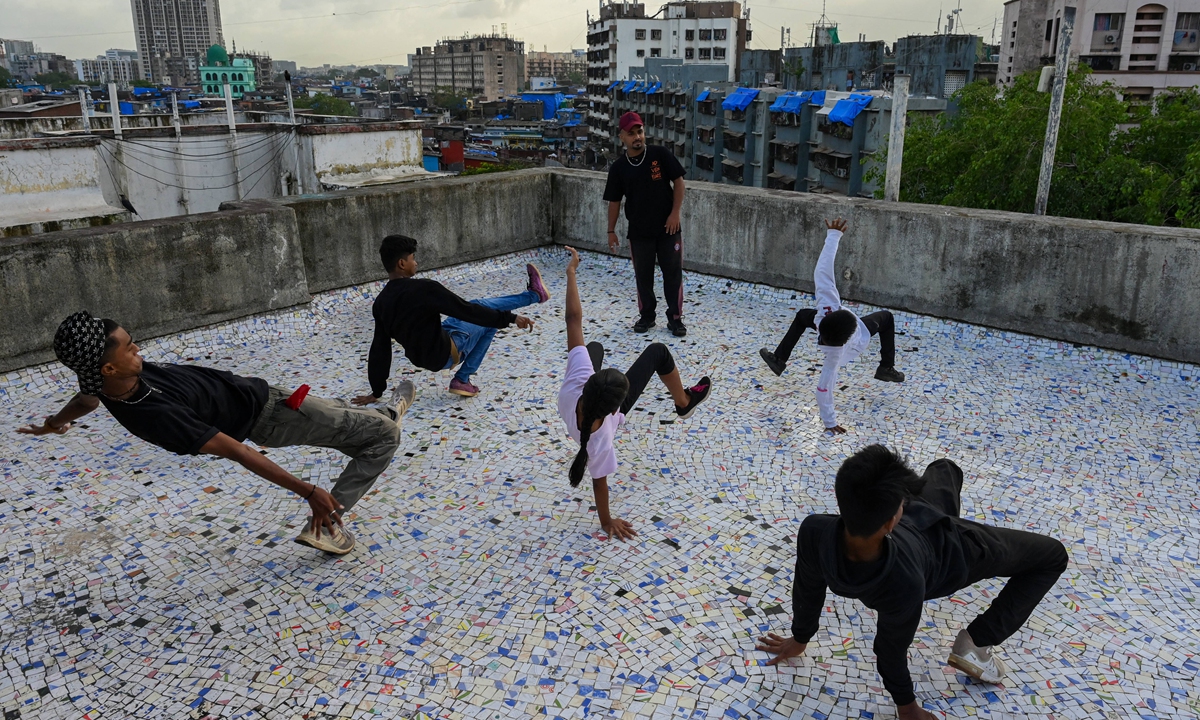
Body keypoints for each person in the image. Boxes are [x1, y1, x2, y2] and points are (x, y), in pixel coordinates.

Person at [19, 311, 416, 555]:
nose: (138, 347)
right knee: (384, 437)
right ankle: (328, 524)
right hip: (274, 415)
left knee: (347, 414)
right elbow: (238, 452)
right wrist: (309, 492)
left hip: (265, 395)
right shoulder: (155, 415)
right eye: (128, 347)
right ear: (108, 367)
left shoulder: (104, 383)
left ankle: (383, 411)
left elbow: (85, 400)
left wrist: (53, 425)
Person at [756, 446, 1069, 719]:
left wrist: (800, 639)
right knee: (1053, 556)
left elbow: (807, 586)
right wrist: (907, 708)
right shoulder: (904, 581)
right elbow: (890, 651)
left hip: (917, 524)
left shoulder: (814, 530)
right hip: (952, 551)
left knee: (944, 469)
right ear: (893, 519)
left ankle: (931, 491)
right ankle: (977, 641)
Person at [557, 246, 712, 540]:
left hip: (583, 407)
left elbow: (572, 319)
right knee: (657, 351)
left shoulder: (574, 385)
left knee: (594, 349)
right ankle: (684, 402)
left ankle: (602, 366)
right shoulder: (603, 438)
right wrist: (607, 521)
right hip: (601, 416)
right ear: (617, 409)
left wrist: (571, 272)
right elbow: (599, 483)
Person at [354, 234, 544, 402]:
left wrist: (377, 391)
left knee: (482, 307)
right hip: (446, 354)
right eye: (413, 258)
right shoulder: (425, 289)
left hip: (427, 353)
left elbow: (380, 347)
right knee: (488, 319)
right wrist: (510, 318)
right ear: (402, 264)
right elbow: (466, 310)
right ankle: (534, 296)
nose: (416, 263)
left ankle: (533, 296)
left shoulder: (381, 303)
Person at [758, 218, 905, 434]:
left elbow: (823, 390)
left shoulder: (830, 334)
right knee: (885, 318)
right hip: (849, 334)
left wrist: (833, 236)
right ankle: (886, 367)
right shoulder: (831, 331)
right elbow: (823, 272)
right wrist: (833, 235)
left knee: (804, 316)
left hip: (847, 334)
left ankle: (780, 359)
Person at [603, 111, 688, 337]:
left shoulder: (660, 154)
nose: (637, 137)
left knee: (673, 274)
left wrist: (675, 213)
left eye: (639, 132)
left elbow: (679, 181)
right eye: (631, 134)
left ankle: (675, 318)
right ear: (622, 137)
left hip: (669, 229)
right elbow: (614, 201)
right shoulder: (619, 168)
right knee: (643, 276)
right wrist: (611, 231)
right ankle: (647, 316)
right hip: (639, 232)